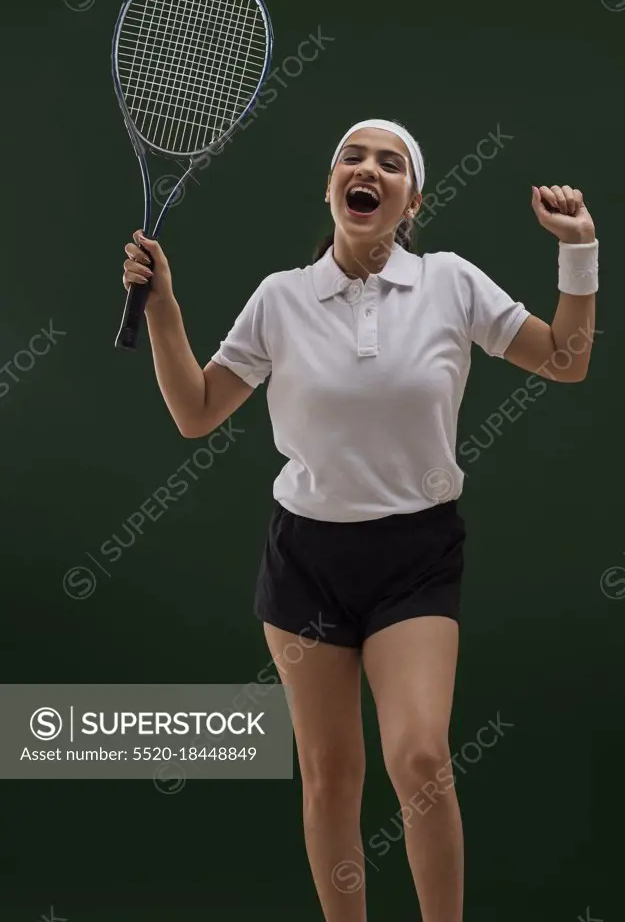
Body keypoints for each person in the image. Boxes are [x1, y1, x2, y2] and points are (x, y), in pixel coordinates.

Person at [122, 118, 599, 922]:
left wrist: (578, 250)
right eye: (352, 156)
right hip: (305, 559)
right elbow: (197, 412)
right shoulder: (281, 298)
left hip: (416, 555)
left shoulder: (450, 283)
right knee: (332, 778)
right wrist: (164, 309)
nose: (367, 168)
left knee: (419, 757)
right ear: (332, 187)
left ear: (411, 199)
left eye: (390, 162)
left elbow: (566, 358)